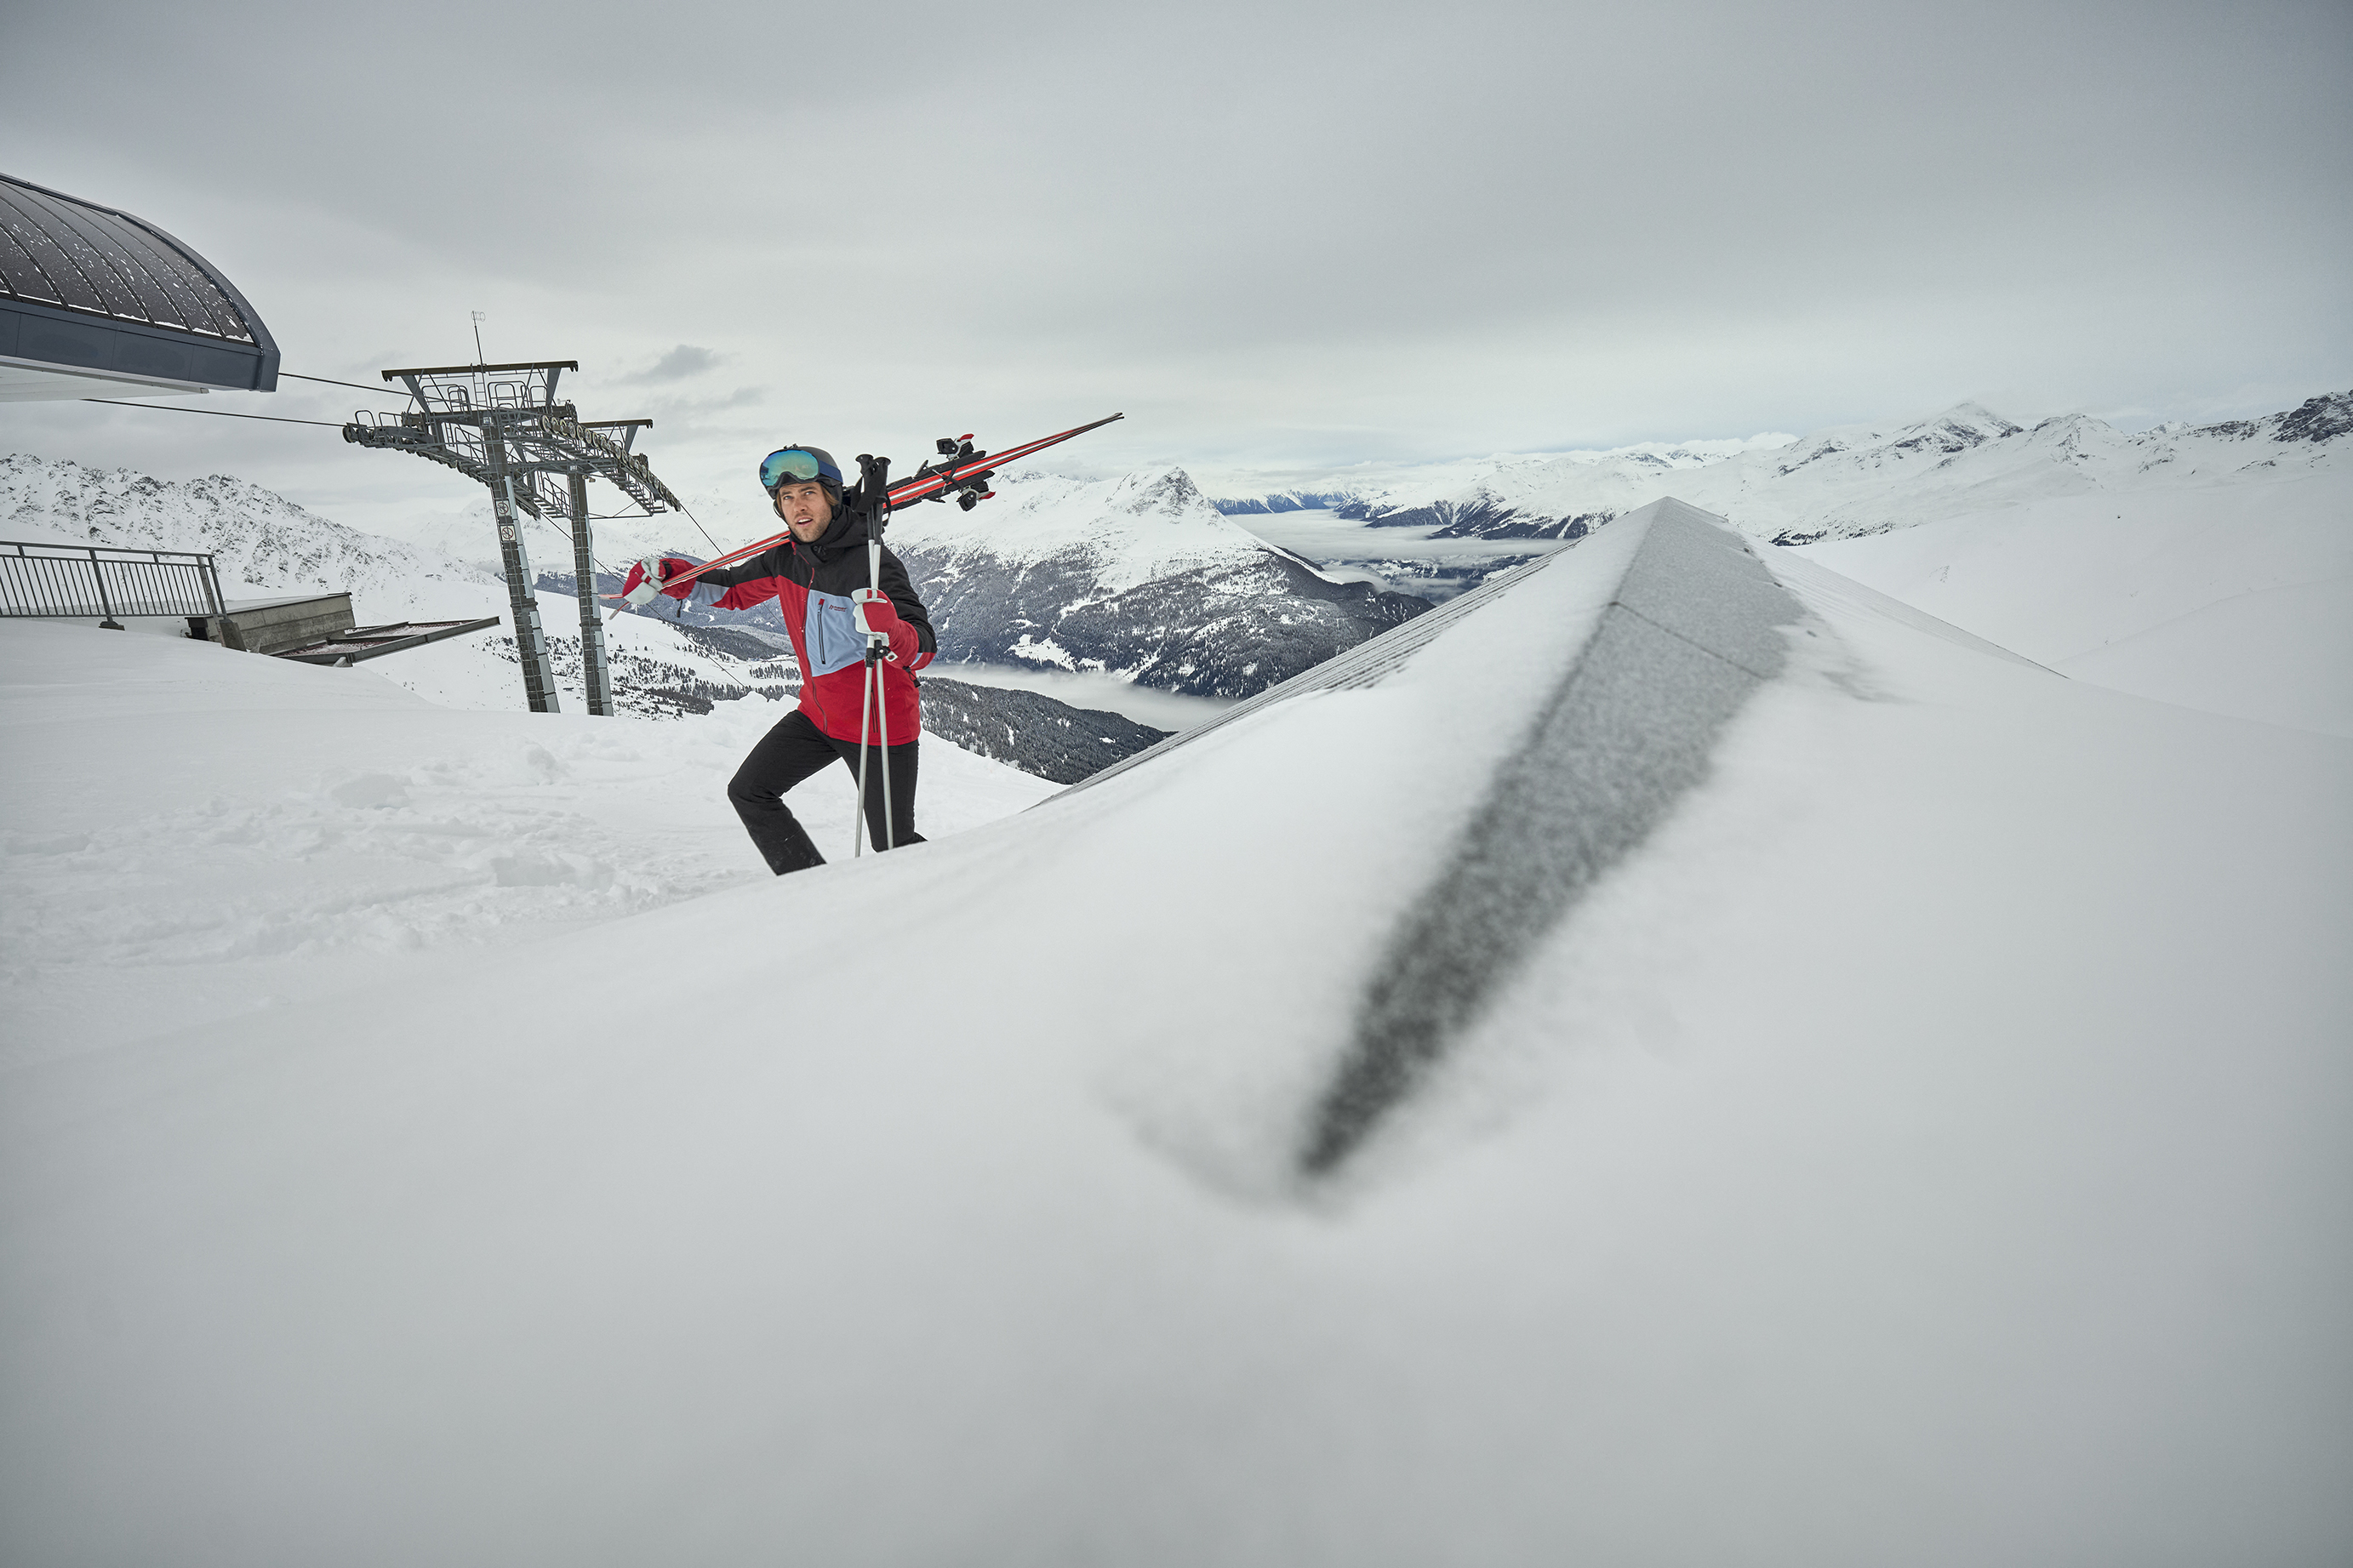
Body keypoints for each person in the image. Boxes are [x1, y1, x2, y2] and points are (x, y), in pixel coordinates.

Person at [620, 444, 935, 873]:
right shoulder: (785, 557)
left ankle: (957, 900)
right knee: (750, 791)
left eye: (807, 492)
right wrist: (677, 578)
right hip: (819, 716)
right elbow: (732, 590)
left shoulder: (874, 564)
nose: (797, 505)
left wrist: (892, 628)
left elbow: (923, 648)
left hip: (879, 725)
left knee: (895, 848)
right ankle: (806, 885)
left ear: (831, 495)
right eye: (787, 498)